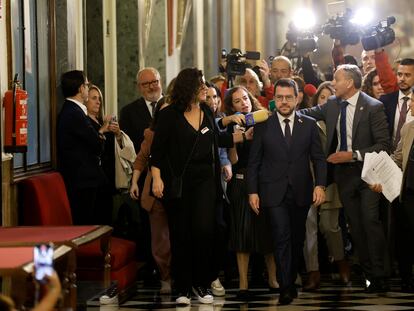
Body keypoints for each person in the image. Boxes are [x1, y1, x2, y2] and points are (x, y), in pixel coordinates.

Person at [150, 68, 250, 306]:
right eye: (202, 85)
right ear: (189, 88)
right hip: (180, 182)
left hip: (206, 182)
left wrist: (243, 137)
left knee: (204, 233)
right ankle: (182, 288)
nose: (206, 88)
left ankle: (201, 285)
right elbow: (158, 151)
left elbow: (216, 139)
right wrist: (157, 178)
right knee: (181, 234)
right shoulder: (169, 114)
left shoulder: (206, 110)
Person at [300, 64, 391, 292]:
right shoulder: (331, 105)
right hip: (343, 176)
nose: (333, 83)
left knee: (371, 221)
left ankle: (380, 275)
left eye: (337, 79)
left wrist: (352, 154)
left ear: (349, 82)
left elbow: (384, 145)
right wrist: (283, 109)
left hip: (369, 173)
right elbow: (307, 114)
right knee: (357, 226)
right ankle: (369, 274)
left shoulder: (373, 107)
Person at [247, 78, 326, 305]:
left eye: (288, 97)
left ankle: (289, 280)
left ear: (297, 98)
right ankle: (285, 287)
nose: (284, 102)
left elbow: (319, 159)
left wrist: (320, 185)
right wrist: (253, 191)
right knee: (281, 237)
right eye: (279, 97)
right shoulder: (263, 126)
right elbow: (254, 162)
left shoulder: (309, 124)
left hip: (301, 191)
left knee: (297, 238)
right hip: (272, 191)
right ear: (274, 100)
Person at [222, 86, 278, 300]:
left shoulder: (265, 119)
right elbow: (233, 161)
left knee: (268, 232)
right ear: (231, 106)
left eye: (245, 98)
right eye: (237, 101)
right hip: (240, 182)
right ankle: (243, 283)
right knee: (241, 234)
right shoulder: (229, 125)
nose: (243, 102)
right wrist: (240, 138)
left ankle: (273, 279)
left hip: (265, 182)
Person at [302, 81, 350, 290]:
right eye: (322, 98)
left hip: (330, 180)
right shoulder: (305, 122)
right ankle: (313, 272)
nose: (325, 102)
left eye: (330, 97)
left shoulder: (338, 124)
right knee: (308, 228)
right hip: (305, 181)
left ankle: (341, 263)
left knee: (330, 226)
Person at [371, 90, 414, 292]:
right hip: (408, 192)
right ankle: (407, 277)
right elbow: (397, 158)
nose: (411, 106)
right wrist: (378, 175)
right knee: (405, 235)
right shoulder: (408, 128)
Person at [129, 102, 172, 295]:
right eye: (164, 111)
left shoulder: (183, 130)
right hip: (155, 193)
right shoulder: (150, 133)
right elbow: (141, 158)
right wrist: (134, 183)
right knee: (161, 239)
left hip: (179, 191)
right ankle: (166, 277)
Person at [57, 70, 107, 225]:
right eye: (86, 85)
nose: (87, 87)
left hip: (82, 179)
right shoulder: (74, 113)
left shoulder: (73, 110)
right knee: (84, 225)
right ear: (80, 89)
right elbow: (97, 144)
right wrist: (101, 135)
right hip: (82, 181)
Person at [85, 85, 135, 225]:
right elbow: (90, 146)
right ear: (85, 100)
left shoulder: (101, 121)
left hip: (109, 178)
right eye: (94, 98)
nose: (98, 102)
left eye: (99, 99)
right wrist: (103, 129)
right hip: (95, 179)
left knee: (108, 220)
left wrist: (118, 134)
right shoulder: (85, 122)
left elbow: (119, 148)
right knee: (97, 220)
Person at [120, 67, 163, 152]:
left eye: (154, 82)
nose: (151, 87)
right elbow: (127, 146)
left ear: (160, 82)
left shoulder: (174, 106)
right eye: (146, 84)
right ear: (139, 87)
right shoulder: (128, 112)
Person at [380, 58, 414, 151]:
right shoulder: (385, 101)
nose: (402, 79)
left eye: (407, 75)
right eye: (399, 74)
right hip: (388, 154)